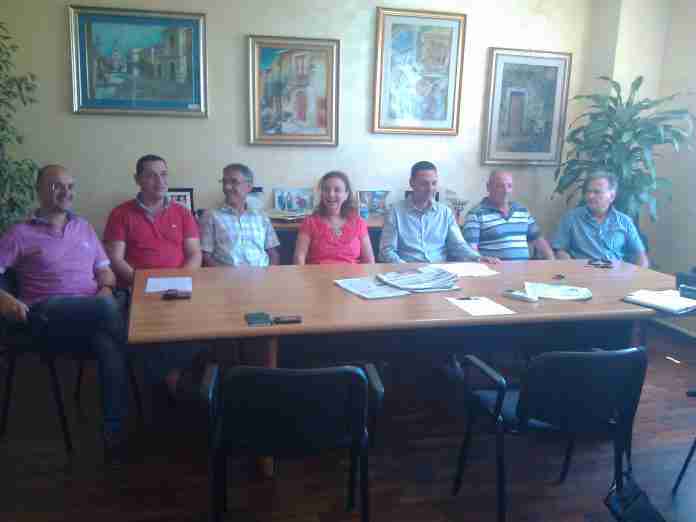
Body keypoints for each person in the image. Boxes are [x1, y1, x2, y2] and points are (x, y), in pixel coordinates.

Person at [0, 165, 129, 458]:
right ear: (39, 190)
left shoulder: (83, 227)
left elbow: (105, 273)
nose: (66, 192)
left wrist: (105, 292)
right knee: (115, 310)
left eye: (70, 186)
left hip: (93, 311)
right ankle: (145, 358)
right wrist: (5, 300)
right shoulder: (20, 233)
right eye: (56, 185)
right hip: (46, 313)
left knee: (108, 342)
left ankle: (114, 432)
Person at [103, 154, 203, 395]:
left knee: (200, 327)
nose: (160, 181)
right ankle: (168, 382)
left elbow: (194, 254)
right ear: (137, 179)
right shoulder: (120, 213)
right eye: (151, 175)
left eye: (164, 174)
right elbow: (115, 259)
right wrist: (143, 283)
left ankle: (170, 379)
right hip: (138, 290)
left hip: (179, 287)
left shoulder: (183, 213)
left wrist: (178, 281)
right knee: (144, 332)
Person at [379, 161, 498, 264]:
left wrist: (478, 258)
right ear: (412, 183)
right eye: (424, 184)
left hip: (439, 271)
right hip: (407, 271)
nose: (430, 189)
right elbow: (386, 251)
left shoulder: (445, 212)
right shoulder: (395, 212)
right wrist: (405, 268)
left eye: (434, 183)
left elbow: (458, 245)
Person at [551, 171, 649, 267]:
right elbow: (559, 250)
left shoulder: (624, 221)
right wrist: (572, 269)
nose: (590, 196)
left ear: (612, 196)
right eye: (588, 192)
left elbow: (640, 255)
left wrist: (639, 274)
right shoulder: (571, 218)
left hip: (616, 274)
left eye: (597, 192)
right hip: (583, 272)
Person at [199, 163, 280, 267]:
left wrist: (270, 273)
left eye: (234, 182)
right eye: (224, 182)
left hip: (262, 273)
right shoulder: (211, 215)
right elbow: (205, 256)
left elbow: (273, 253)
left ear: (249, 187)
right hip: (227, 274)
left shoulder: (261, 216)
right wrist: (222, 274)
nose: (227, 187)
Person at [463, 170, 554, 260]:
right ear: (488, 187)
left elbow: (538, 239)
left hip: (525, 268)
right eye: (500, 186)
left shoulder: (521, 211)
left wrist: (552, 259)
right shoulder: (476, 214)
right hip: (494, 268)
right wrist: (481, 259)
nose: (506, 191)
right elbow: (470, 251)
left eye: (509, 186)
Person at [294, 171, 375, 265]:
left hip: (352, 274)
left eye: (337, 190)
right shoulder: (309, 222)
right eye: (326, 190)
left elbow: (369, 260)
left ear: (346, 195)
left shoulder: (359, 223)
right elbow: (299, 257)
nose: (331, 194)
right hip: (318, 274)